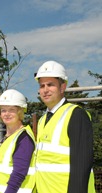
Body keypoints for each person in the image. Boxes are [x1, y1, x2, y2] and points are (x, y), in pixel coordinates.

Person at [34, 60, 96, 193]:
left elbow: (81, 166)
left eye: (50, 85)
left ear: (62, 87)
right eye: (42, 86)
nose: (45, 90)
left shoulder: (76, 115)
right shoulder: (42, 120)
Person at [0, 89, 36, 193]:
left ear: (20, 112)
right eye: (3, 110)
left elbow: (18, 174)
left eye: (12, 110)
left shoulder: (24, 139)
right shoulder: (8, 138)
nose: (7, 114)